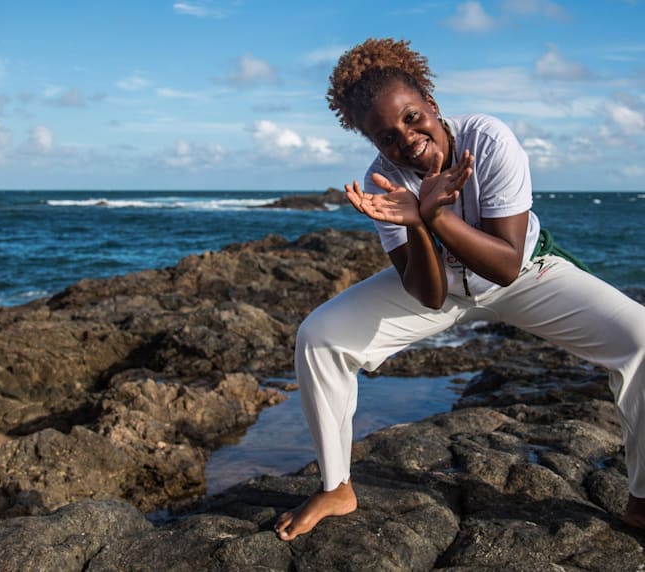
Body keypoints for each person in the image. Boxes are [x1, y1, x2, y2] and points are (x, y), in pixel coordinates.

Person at [274, 37, 645, 541]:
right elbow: (426, 295)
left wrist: (434, 214)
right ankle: (336, 486)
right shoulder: (384, 180)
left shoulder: (489, 141)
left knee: (640, 339)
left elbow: (507, 265)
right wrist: (417, 225)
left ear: (431, 102)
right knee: (320, 338)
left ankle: (643, 497)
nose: (404, 139)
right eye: (385, 137)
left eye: (410, 118)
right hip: (442, 287)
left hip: (526, 275)